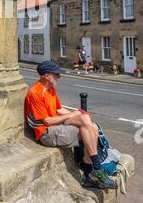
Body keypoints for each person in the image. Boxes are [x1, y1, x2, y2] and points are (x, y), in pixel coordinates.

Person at [25, 60, 117, 189]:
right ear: (46, 76)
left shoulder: (50, 88)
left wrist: (78, 115)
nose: (59, 76)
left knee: (92, 126)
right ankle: (93, 171)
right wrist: (74, 114)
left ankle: (93, 172)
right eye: (56, 74)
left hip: (56, 126)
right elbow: (47, 121)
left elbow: (59, 109)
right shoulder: (35, 93)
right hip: (46, 133)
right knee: (88, 130)